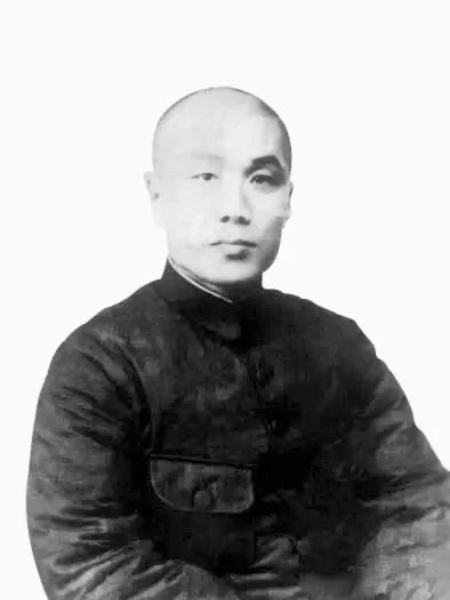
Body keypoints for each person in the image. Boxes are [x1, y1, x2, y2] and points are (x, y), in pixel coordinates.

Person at [26, 87, 450, 600]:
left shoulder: (341, 347)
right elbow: (89, 565)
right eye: (205, 177)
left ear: (288, 198)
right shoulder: (100, 363)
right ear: (157, 197)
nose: (235, 209)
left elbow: (418, 508)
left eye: (262, 179)